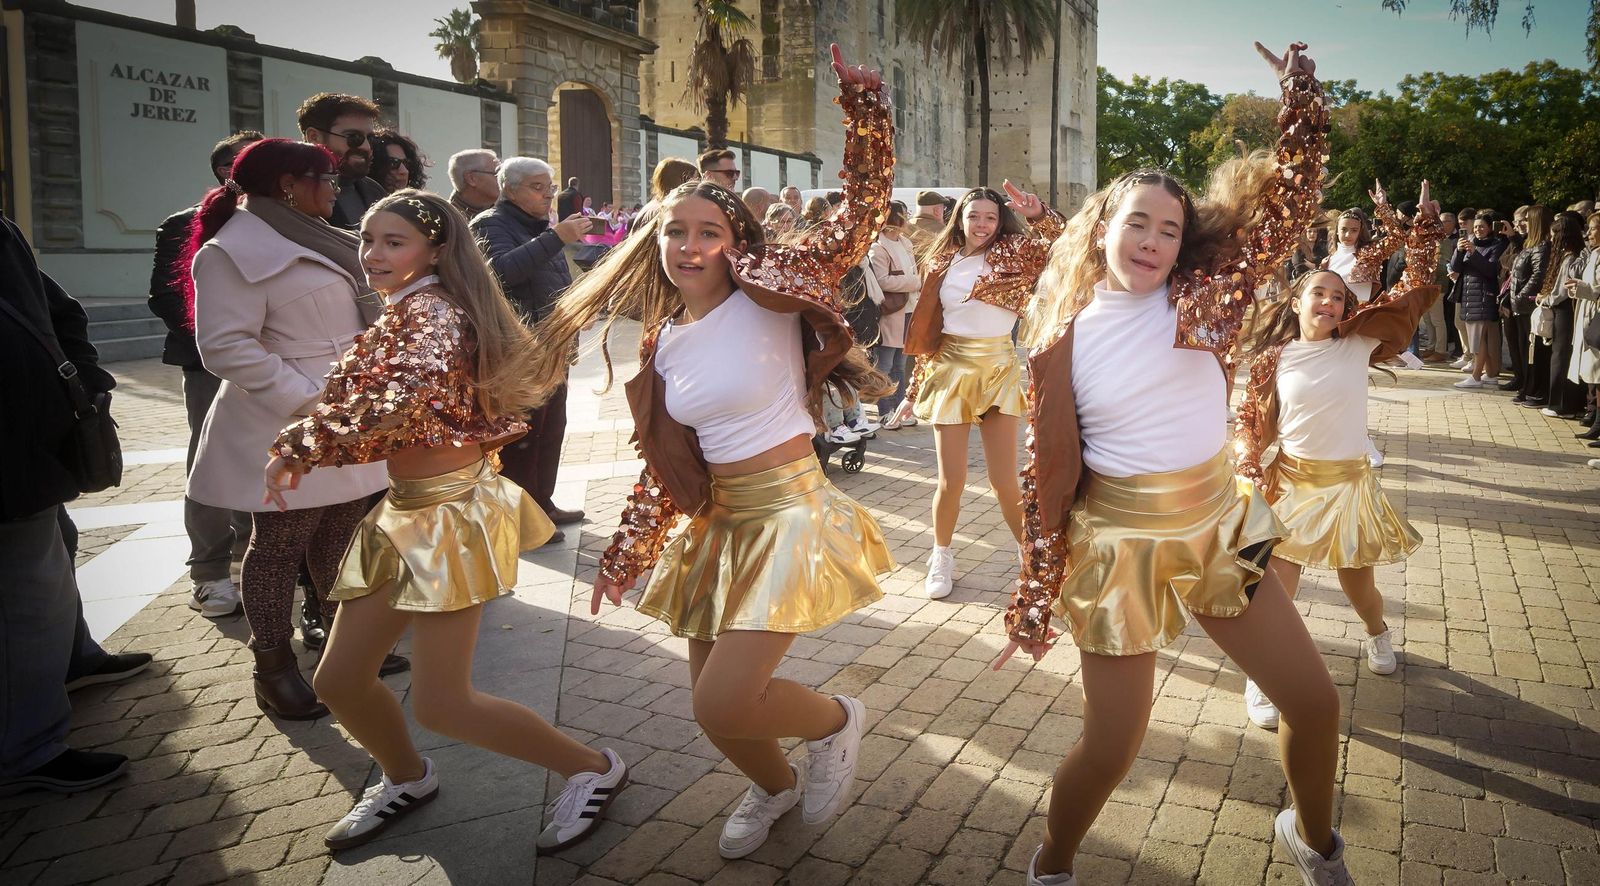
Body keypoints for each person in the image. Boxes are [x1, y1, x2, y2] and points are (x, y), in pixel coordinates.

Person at [1002, 42, 1354, 886]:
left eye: (1171, 228)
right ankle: (1053, 864)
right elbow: (1043, 476)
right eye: (1139, 224)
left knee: (1315, 704)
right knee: (1113, 745)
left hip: (1218, 525)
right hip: (1117, 544)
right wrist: (1038, 578)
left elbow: (1292, 198)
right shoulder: (1057, 337)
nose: (1155, 240)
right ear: (1104, 228)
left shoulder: (1206, 293)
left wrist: (1300, 99)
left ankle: (1316, 839)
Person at [536, 45, 893, 862]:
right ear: (654, 243)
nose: (690, 245)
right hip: (717, 525)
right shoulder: (663, 344)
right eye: (676, 232)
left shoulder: (771, 294)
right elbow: (668, 466)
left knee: (720, 703)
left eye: (710, 231)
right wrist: (624, 556)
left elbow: (865, 205)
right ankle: (774, 787)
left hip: (790, 513)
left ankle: (838, 721)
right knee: (713, 702)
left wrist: (865, 102)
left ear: (737, 242)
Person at [262, 190, 626, 853]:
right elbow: (364, 395)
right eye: (367, 239)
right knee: (341, 680)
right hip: (407, 511)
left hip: (448, 517)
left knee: (441, 702)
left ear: (435, 248)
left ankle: (593, 769)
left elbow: (394, 407)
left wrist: (299, 446)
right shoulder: (410, 308)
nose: (374, 254)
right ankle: (407, 776)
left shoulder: (427, 313)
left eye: (392, 242)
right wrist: (308, 430)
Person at [184, 139, 397, 720]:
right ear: (287, 184)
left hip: (344, 411)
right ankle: (272, 668)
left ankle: (340, 647)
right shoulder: (231, 251)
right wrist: (309, 399)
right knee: (278, 547)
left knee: (340, 534)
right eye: (323, 177)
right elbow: (224, 346)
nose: (334, 188)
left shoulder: (321, 237)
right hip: (286, 421)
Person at [1234, 182, 1442, 733]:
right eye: (1318, 294)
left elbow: (1417, 288)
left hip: (1350, 486)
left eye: (1337, 297)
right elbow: (1253, 426)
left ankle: (1378, 632)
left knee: (1360, 588)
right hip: (1292, 487)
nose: (1328, 303)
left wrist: (1421, 233)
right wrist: (1246, 467)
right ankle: (1265, 677)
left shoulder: (1358, 345)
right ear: (1297, 301)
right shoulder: (1274, 357)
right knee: (1277, 588)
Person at [0, 214, 147, 796]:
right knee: (26, 597)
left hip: (30, 444)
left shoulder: (4, 233)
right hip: (12, 457)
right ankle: (28, 747)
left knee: (54, 557)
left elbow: (55, 308)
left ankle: (71, 660)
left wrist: (81, 378)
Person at [897, 183, 1064, 599]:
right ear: (960, 218)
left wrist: (1039, 213)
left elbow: (1064, 245)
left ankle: (1032, 559)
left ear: (1000, 220)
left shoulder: (1016, 253)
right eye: (974, 216)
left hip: (998, 370)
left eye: (990, 217)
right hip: (949, 369)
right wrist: (912, 391)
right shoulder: (942, 259)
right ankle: (941, 556)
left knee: (1004, 480)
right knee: (950, 481)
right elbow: (929, 328)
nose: (982, 224)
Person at [150, 129, 262, 618]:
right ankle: (209, 572)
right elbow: (167, 295)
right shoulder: (184, 224)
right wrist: (223, 339)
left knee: (270, 454)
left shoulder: (284, 224)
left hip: (271, 363)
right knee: (209, 460)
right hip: (207, 365)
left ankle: (255, 552)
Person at [470, 157, 590, 534]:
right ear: (510, 189)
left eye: (550, 188)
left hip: (552, 345)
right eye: (538, 188)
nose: (548, 195)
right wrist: (556, 238)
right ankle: (521, 520)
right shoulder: (491, 224)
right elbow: (503, 271)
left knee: (551, 428)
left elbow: (552, 282)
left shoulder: (539, 227)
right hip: (520, 348)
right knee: (524, 434)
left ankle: (542, 505)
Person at [297, 92, 385, 230]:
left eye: (371, 138)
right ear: (314, 137)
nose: (366, 147)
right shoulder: (294, 193)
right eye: (353, 137)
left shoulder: (374, 191)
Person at [870, 201, 921, 429]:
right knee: (885, 364)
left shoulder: (905, 242)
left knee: (901, 364)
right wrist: (914, 283)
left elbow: (912, 271)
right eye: (904, 214)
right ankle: (884, 410)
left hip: (909, 308)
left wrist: (914, 283)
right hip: (891, 311)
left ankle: (901, 409)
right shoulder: (878, 247)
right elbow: (882, 280)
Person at [1449, 212, 1508, 389]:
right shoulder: (1469, 243)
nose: (1478, 230)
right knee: (1479, 339)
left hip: (1484, 296)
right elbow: (1455, 268)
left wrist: (1474, 253)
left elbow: (1491, 270)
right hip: (1468, 296)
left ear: (1490, 228)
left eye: (1482, 226)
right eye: (1475, 227)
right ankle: (1490, 374)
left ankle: (1476, 377)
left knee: (1478, 340)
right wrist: (1459, 251)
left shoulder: (1496, 245)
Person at [1542, 211, 1589, 418]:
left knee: (1560, 357)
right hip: (1570, 310)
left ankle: (1562, 405)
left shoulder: (1569, 258)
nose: (1552, 238)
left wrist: (1545, 300)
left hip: (1564, 311)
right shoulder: (1578, 254)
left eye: (1555, 234)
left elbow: (1561, 291)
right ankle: (1571, 404)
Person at [1509, 206, 1553, 407]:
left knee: (1532, 351)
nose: (1523, 222)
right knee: (1523, 350)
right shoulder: (1530, 244)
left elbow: (1537, 276)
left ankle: (1534, 390)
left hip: (1528, 305)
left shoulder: (1542, 246)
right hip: (1520, 305)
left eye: (1527, 219)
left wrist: (1520, 297)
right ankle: (1526, 387)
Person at [1568, 212, 1600, 444]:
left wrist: (1581, 287)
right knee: (1593, 374)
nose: (1588, 234)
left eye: (1593, 229)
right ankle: (1596, 419)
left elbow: (1597, 287)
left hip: (1595, 316)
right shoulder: (1594, 253)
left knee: (1597, 372)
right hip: (1588, 313)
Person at [446, 149, 500, 219]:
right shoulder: (447, 221)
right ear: (471, 179)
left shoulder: (510, 213)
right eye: (497, 173)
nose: (503, 179)